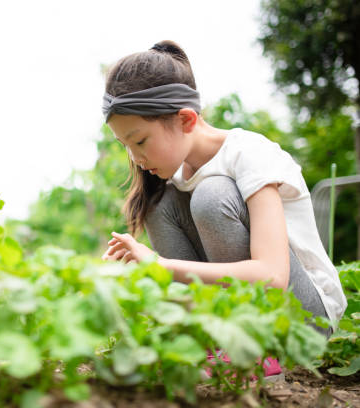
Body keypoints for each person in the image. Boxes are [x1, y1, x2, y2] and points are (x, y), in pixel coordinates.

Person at [100, 40, 347, 339]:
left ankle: (252, 347)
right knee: (157, 203)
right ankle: (207, 340)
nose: (136, 160)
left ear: (186, 119)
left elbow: (272, 277)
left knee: (211, 195)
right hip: (233, 321)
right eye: (125, 146)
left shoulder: (248, 154)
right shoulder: (171, 182)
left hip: (304, 319)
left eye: (139, 142)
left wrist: (159, 265)